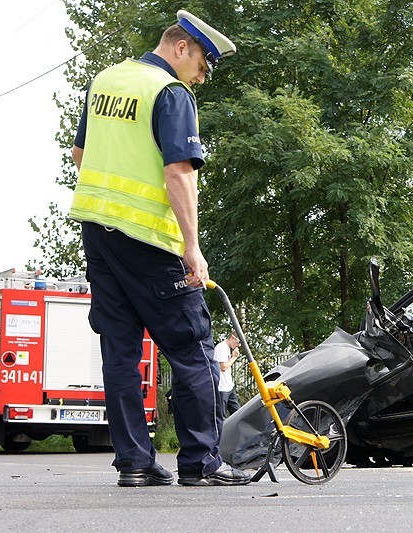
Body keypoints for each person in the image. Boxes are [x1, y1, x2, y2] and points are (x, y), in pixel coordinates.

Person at [69, 10, 250, 487]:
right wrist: (192, 246)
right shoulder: (169, 92)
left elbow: (81, 155)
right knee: (192, 349)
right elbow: (179, 172)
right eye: (204, 65)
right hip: (150, 240)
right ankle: (200, 463)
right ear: (182, 47)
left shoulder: (106, 80)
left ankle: (134, 461)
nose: (203, 77)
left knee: (120, 352)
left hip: (98, 234)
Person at [214, 331, 242, 417]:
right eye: (239, 342)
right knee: (221, 417)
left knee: (238, 414)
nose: (239, 345)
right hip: (221, 389)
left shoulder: (226, 348)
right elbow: (223, 367)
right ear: (233, 337)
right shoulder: (221, 347)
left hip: (229, 387)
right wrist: (234, 357)